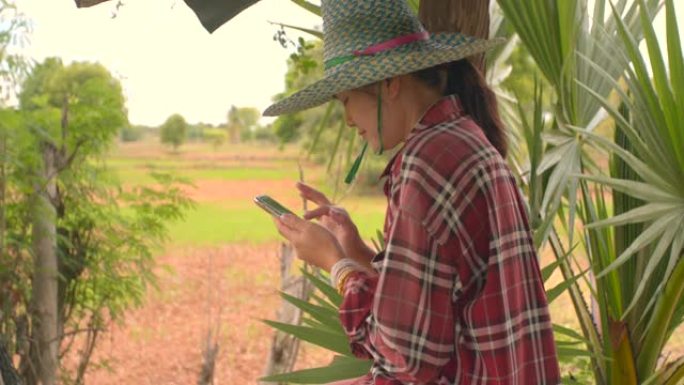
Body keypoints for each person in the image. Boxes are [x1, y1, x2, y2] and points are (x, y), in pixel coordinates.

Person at [263, 0, 560, 384]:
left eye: (346, 100)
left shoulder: (426, 163)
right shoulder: (461, 139)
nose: (349, 120)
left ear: (390, 84)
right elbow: (433, 299)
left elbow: (405, 359)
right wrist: (355, 250)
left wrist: (335, 264)